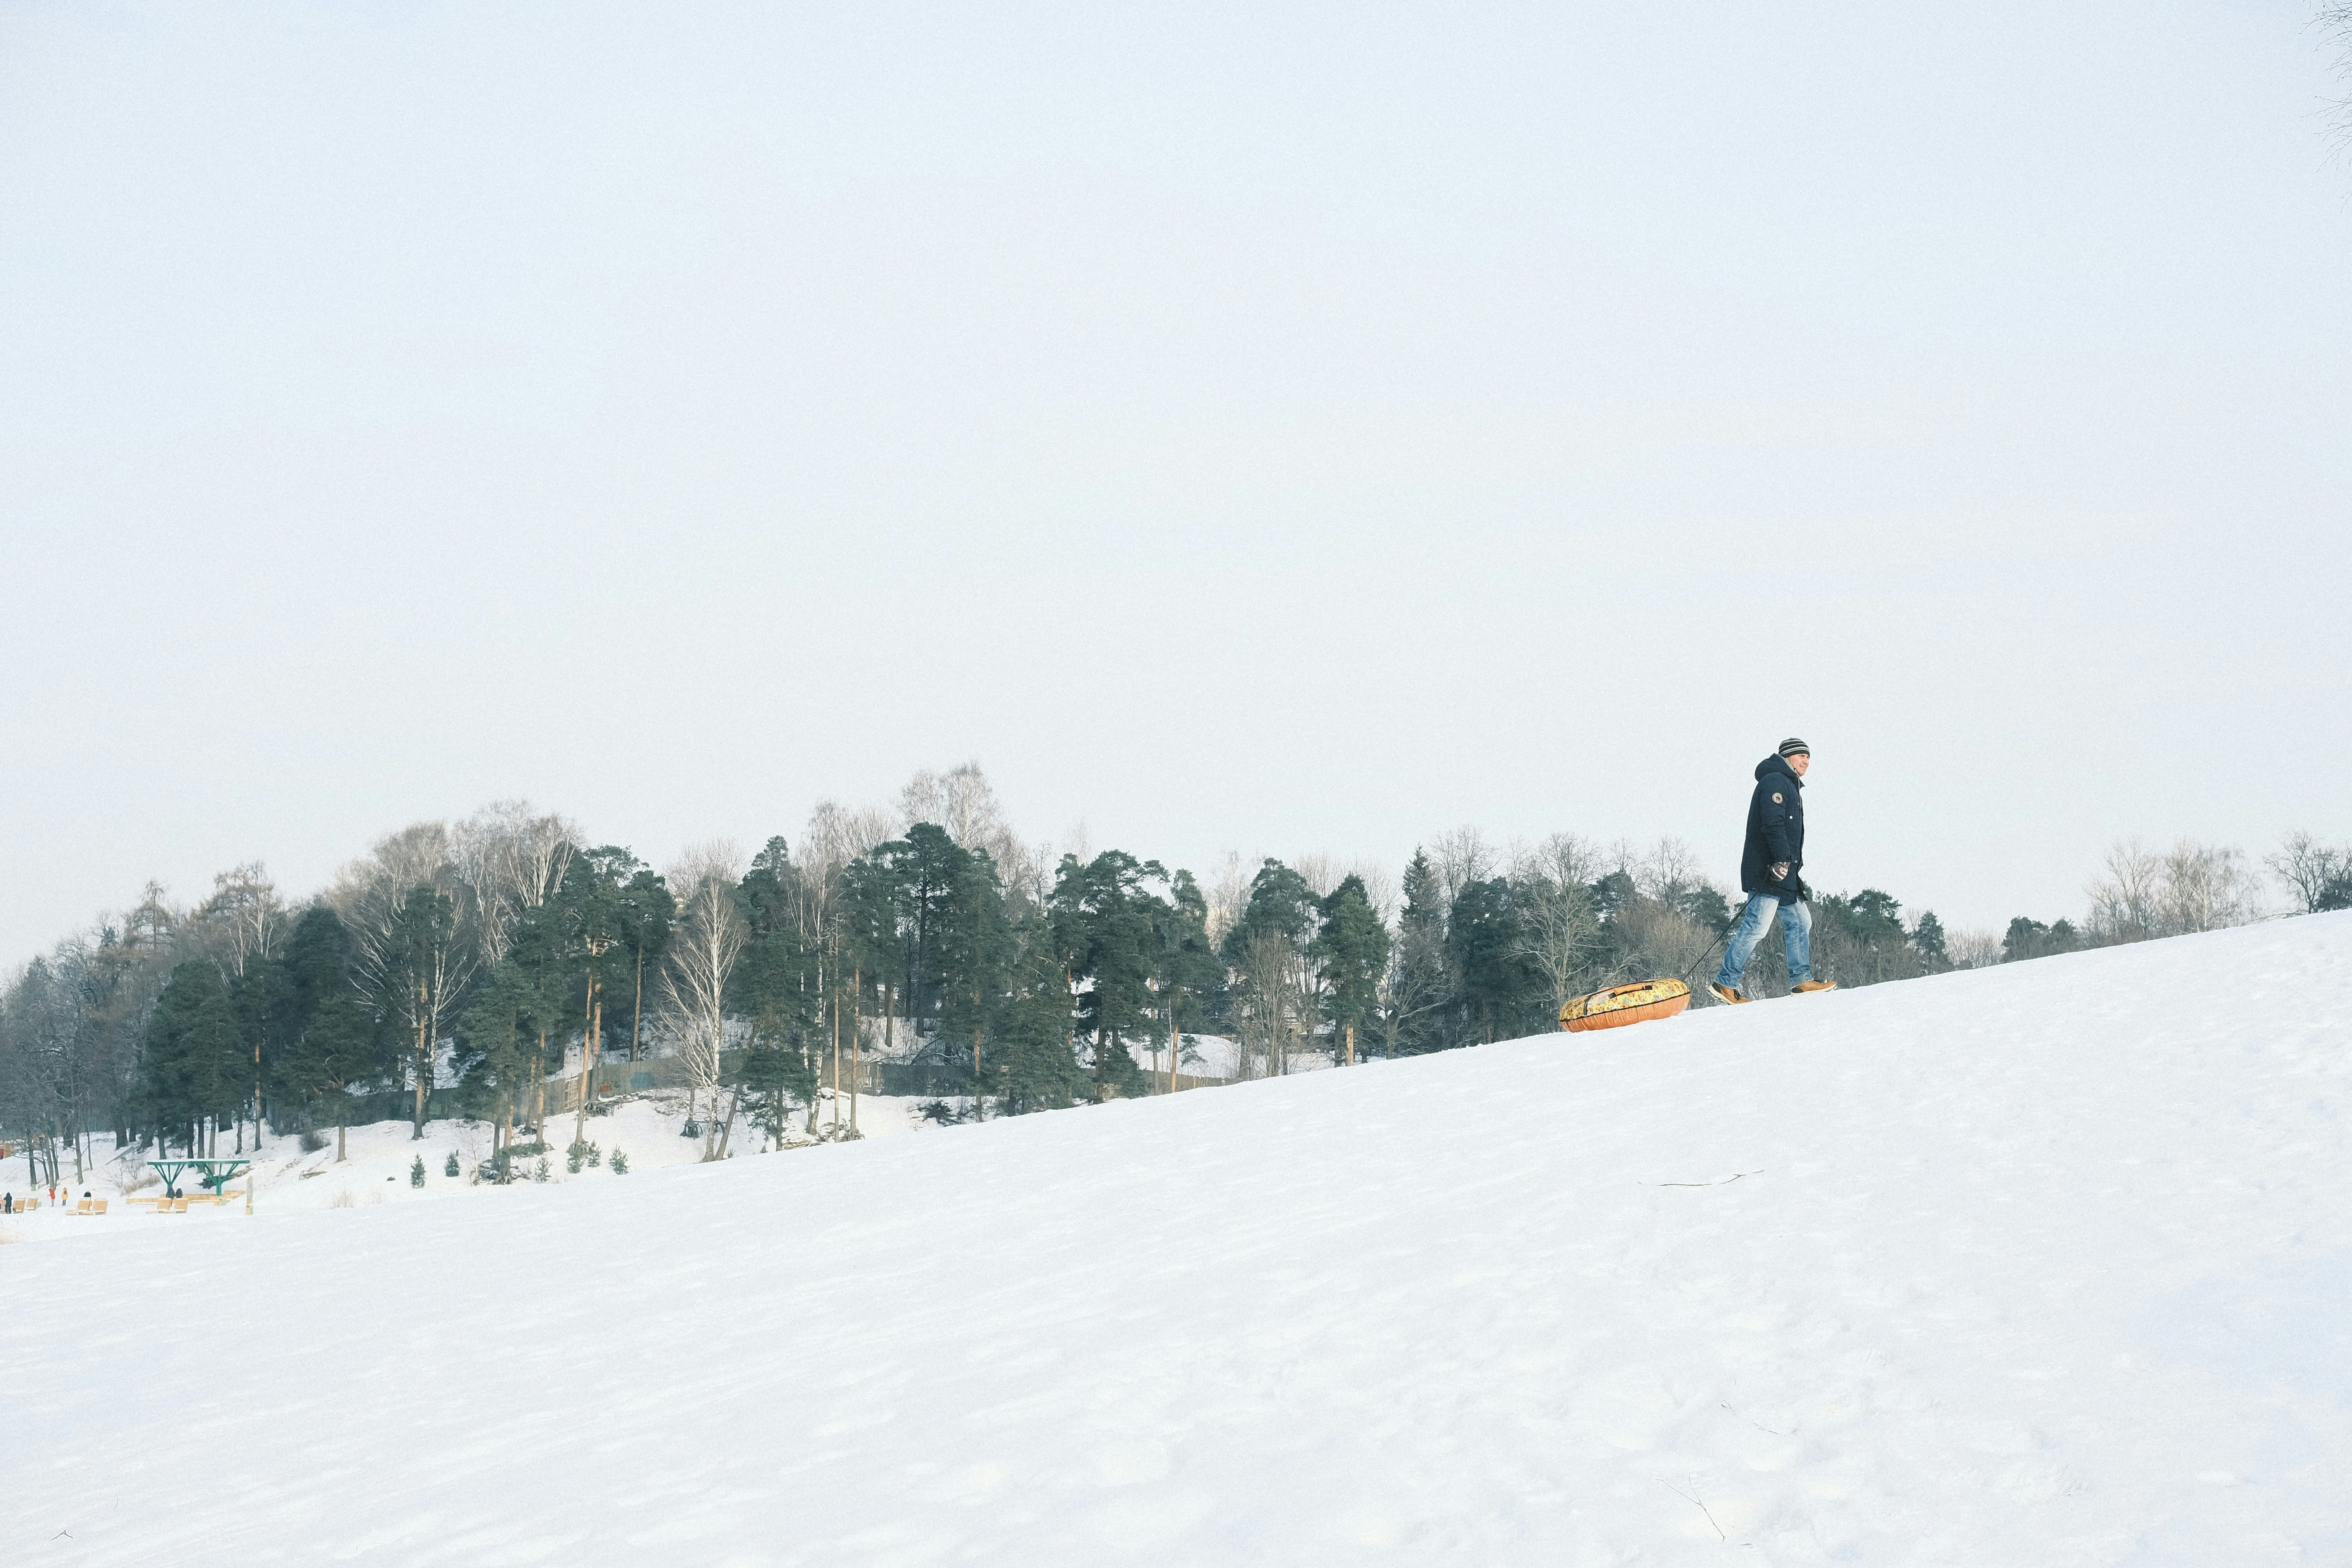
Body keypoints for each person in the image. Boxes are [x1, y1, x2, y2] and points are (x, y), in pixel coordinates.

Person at [1710, 737, 1838, 1004]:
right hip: (1770, 871)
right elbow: (1772, 824)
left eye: (1809, 757)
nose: (1806, 761)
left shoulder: (1788, 784)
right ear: (1788, 757)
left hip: (1785, 873)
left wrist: (1789, 865)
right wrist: (1781, 861)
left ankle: (1802, 980)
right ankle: (1726, 983)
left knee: (1801, 921)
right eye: (1801, 755)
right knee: (1756, 926)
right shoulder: (1776, 781)